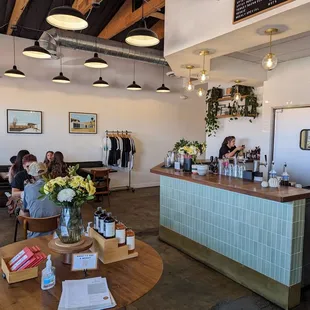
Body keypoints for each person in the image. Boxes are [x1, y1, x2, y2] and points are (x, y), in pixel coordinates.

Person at [19, 162, 61, 239]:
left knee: (22, 211)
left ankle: (28, 231)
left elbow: (25, 209)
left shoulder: (28, 187)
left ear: (32, 176)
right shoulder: (56, 186)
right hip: (57, 230)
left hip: (35, 233)